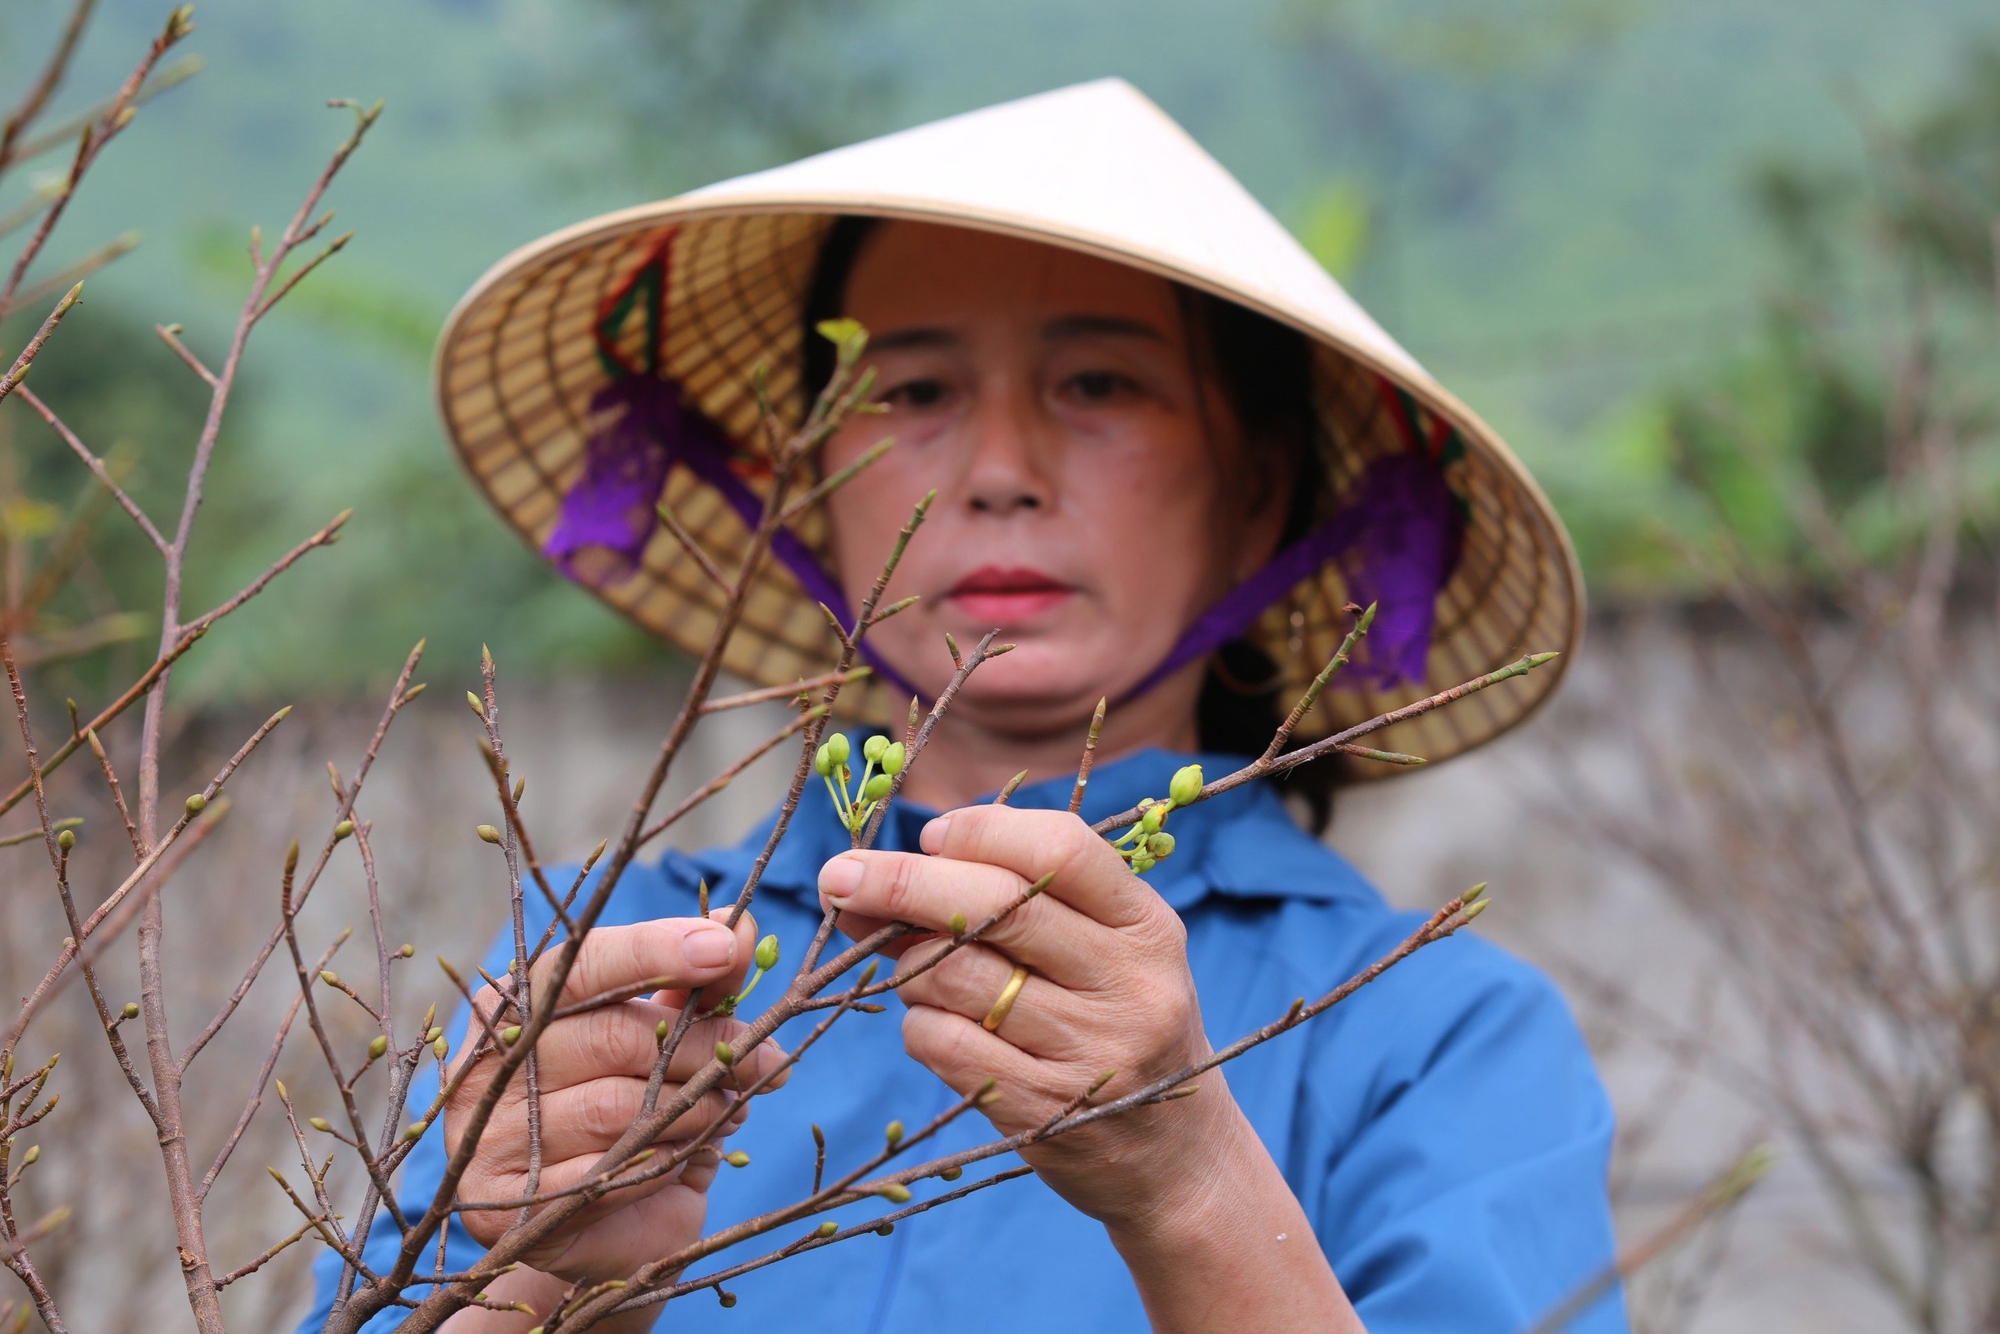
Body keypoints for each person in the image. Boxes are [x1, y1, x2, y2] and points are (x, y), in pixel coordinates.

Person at [305, 80, 1621, 1333]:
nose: (1000, 470)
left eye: (1100, 385)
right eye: (914, 392)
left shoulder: (1428, 1024)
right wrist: (545, 1280)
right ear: (807, 483)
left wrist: (1190, 1176)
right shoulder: (609, 961)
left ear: (1259, 492)